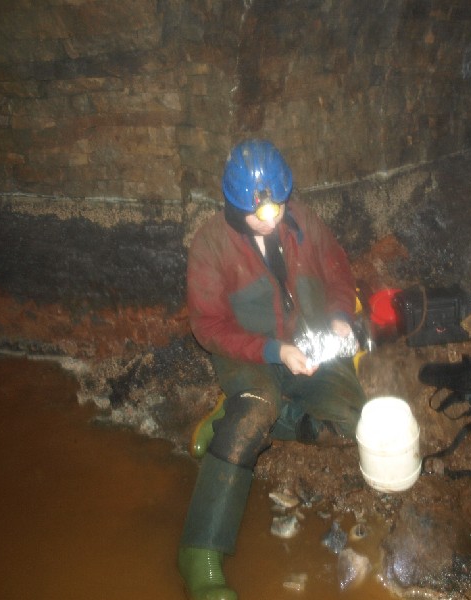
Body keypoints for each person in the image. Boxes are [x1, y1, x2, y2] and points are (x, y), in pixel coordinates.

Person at [178, 139, 367, 600]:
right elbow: (207, 327)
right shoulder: (210, 244)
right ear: (233, 205)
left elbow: (339, 272)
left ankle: (240, 415)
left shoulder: (304, 221)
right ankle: (200, 553)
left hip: (310, 346)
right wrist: (271, 351)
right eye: (257, 212)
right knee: (254, 413)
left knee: (350, 423)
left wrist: (341, 314)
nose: (271, 218)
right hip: (249, 353)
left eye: (277, 206)